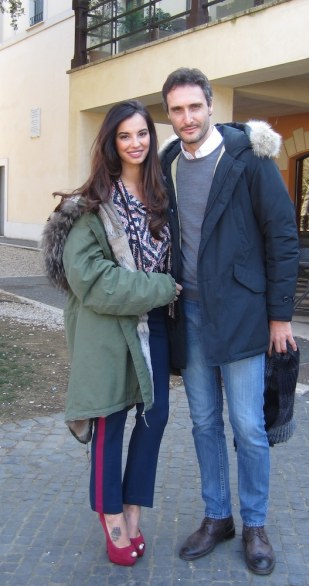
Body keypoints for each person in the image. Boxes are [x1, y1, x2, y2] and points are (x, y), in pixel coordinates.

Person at [160, 68, 299, 575]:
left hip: (242, 314)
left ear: (210, 105)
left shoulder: (248, 159)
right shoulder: (168, 163)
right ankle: (218, 516)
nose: (187, 117)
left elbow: (282, 235)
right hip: (190, 314)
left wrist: (280, 315)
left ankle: (255, 524)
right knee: (202, 422)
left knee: (248, 425)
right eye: (177, 109)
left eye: (194, 107)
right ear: (169, 114)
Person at [42, 100, 182, 567]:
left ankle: (133, 506)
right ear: (111, 142)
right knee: (110, 422)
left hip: (155, 325)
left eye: (142, 133)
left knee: (155, 417)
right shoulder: (91, 205)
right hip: (109, 331)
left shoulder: (163, 196)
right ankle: (112, 518)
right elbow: (92, 279)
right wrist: (161, 287)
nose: (135, 143)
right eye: (124, 135)